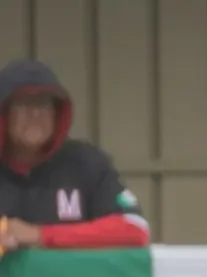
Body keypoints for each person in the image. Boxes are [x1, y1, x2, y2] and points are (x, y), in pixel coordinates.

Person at [0, 58, 150, 253]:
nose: (35, 114)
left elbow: (135, 227)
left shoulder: (85, 163)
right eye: (23, 103)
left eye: (44, 103)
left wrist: (40, 234)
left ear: (58, 113)